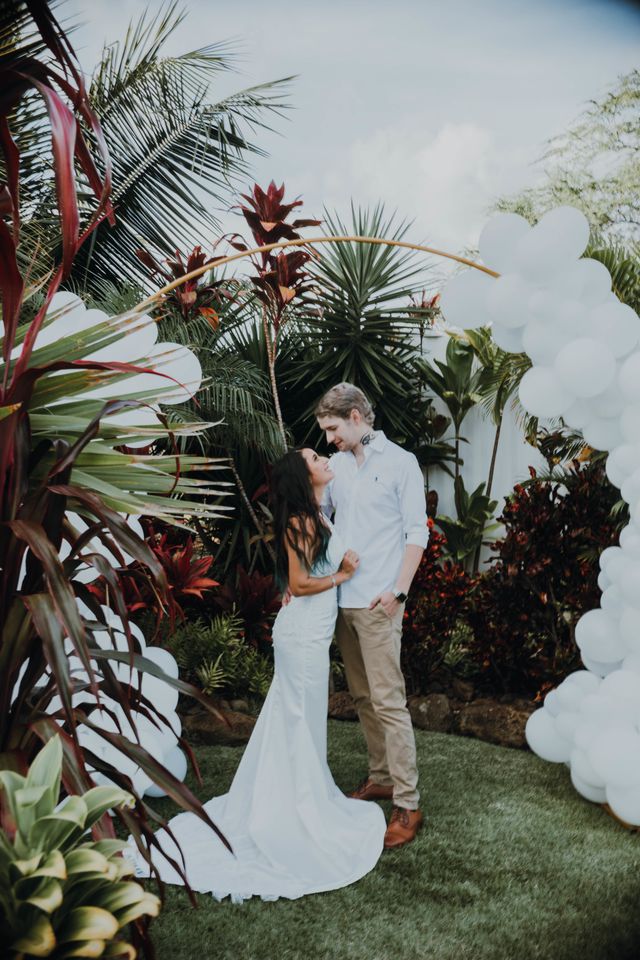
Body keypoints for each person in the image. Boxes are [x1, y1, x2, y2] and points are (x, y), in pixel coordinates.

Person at [128, 447, 386, 902]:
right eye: (315, 458)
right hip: (303, 636)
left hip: (311, 632)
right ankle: (292, 813)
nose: (324, 459)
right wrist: (343, 575)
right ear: (301, 476)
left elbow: (301, 576)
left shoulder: (315, 515)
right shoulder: (300, 521)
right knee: (298, 721)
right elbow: (301, 584)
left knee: (301, 721)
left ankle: (300, 800)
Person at [315, 383, 429, 849]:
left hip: (380, 603)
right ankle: (381, 777)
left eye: (333, 429)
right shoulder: (337, 466)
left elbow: (417, 532)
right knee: (363, 697)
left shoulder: (402, 463)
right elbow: (321, 518)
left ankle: (408, 802)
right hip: (342, 601)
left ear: (356, 417)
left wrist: (398, 591)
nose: (329, 439)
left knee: (388, 701)